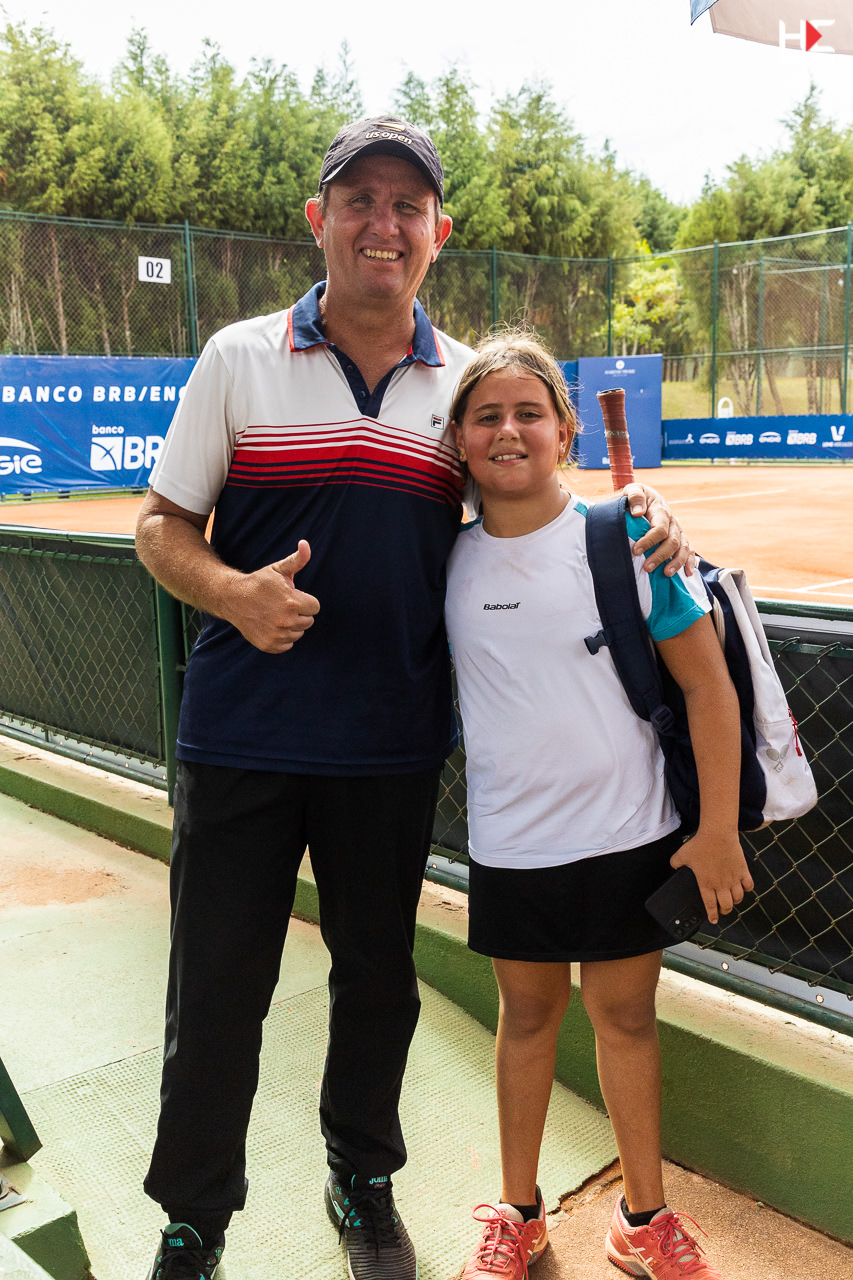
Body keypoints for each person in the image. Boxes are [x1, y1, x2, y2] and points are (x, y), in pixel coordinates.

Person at [134, 119, 691, 1280]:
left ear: (438, 231)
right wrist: (232, 593)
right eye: (359, 200)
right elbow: (160, 525)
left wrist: (643, 518)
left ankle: (361, 1178)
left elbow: (535, 499)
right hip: (242, 736)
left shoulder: (464, 385)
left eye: (407, 206)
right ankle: (194, 1218)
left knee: (377, 982)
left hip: (388, 746)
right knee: (218, 987)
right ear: (320, 219)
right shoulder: (237, 357)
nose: (382, 224)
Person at [444, 331, 754, 1280]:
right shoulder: (440, 559)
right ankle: (519, 1213)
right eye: (486, 415)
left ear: (564, 431)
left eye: (528, 412)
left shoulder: (627, 540)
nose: (508, 430)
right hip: (510, 844)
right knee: (525, 1019)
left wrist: (714, 831)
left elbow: (707, 687)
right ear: (458, 439)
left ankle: (642, 1219)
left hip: (630, 835)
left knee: (624, 1019)